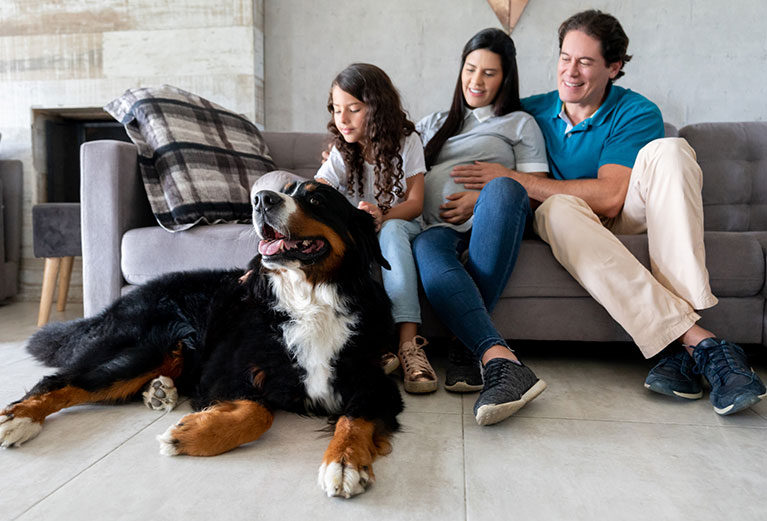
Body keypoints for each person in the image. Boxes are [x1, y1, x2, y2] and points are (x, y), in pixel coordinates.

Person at [453, 10, 765, 415]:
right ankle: (697, 346)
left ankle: (683, 344)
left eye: (585, 62)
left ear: (614, 67)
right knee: (557, 209)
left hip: (625, 215)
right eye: (565, 57)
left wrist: (513, 177)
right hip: (567, 222)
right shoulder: (530, 112)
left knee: (669, 151)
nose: (571, 71)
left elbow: (611, 198)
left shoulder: (636, 110)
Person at [412, 28, 549, 426]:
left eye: (489, 73)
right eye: (470, 69)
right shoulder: (433, 123)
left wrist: (485, 193)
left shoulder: (520, 124)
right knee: (424, 250)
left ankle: (467, 345)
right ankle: (473, 349)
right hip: (437, 227)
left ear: (506, 78)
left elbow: (536, 189)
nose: (476, 81)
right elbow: (391, 167)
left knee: (506, 187)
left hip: (494, 220)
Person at [314, 63, 437, 394]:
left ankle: (409, 345)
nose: (344, 119)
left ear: (377, 106)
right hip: (363, 229)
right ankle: (374, 345)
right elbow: (320, 189)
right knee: (348, 242)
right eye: (337, 110)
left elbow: (415, 202)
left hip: (403, 222)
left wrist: (383, 214)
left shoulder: (407, 140)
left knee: (393, 231)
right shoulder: (343, 149)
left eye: (354, 109)